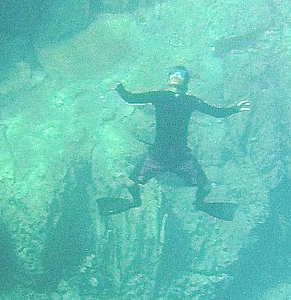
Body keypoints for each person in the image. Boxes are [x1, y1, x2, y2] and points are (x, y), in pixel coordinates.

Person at [98, 67, 250, 219]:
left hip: (178, 156)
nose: (176, 75)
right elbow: (131, 98)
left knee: (206, 187)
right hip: (160, 154)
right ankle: (135, 202)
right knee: (130, 182)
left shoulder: (190, 101)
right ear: (168, 79)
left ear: (186, 81)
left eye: (180, 73)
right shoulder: (160, 96)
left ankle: (199, 204)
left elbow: (216, 112)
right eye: (173, 73)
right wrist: (119, 88)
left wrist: (235, 109)